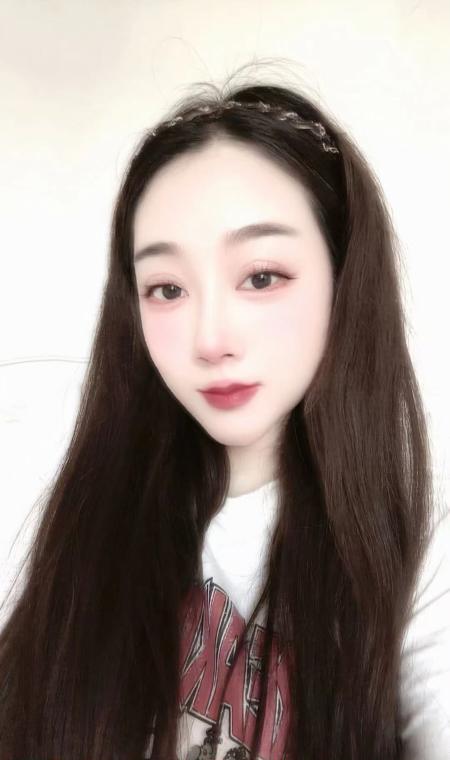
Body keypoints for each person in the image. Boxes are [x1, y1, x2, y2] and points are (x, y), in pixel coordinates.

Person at [0, 69, 448, 760]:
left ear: (344, 276)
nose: (210, 340)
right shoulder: (66, 484)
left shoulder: (419, 538)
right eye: (166, 288)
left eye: (261, 277)